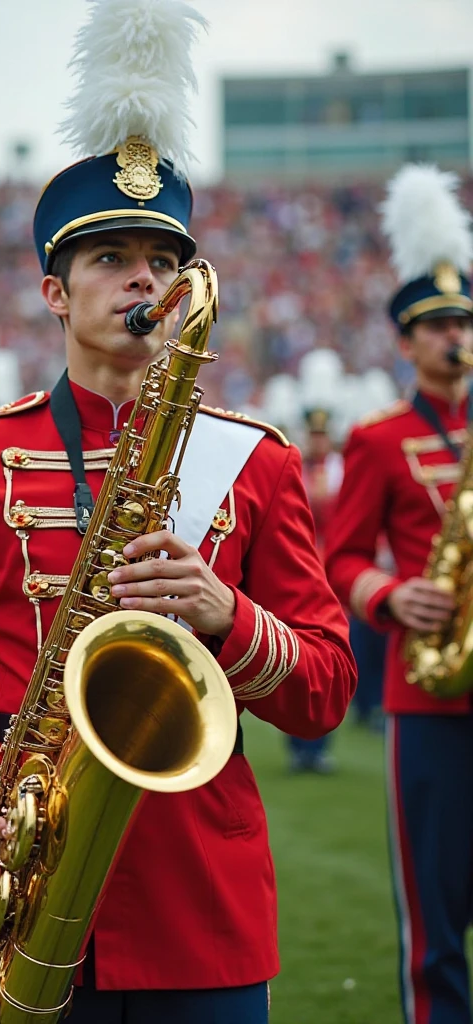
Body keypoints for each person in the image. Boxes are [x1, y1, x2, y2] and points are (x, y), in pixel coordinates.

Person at [0, 3, 355, 1022]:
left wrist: (227, 614)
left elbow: (324, 688)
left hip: (202, 908)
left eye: (164, 257)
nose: (146, 274)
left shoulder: (256, 462)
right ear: (54, 290)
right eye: (110, 256)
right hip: (20, 882)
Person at [325, 164, 473, 1024]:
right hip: (427, 690)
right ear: (407, 341)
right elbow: (340, 556)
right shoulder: (377, 439)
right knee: (436, 915)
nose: (456, 336)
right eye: (438, 325)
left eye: (463, 320)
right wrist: (392, 595)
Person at [286, 406, 343, 773]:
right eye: (314, 435)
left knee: (328, 659)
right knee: (295, 659)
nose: (318, 441)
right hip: (297, 572)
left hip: (330, 575)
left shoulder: (340, 470)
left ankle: (320, 746)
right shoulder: (296, 467)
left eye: (322, 435)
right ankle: (298, 747)